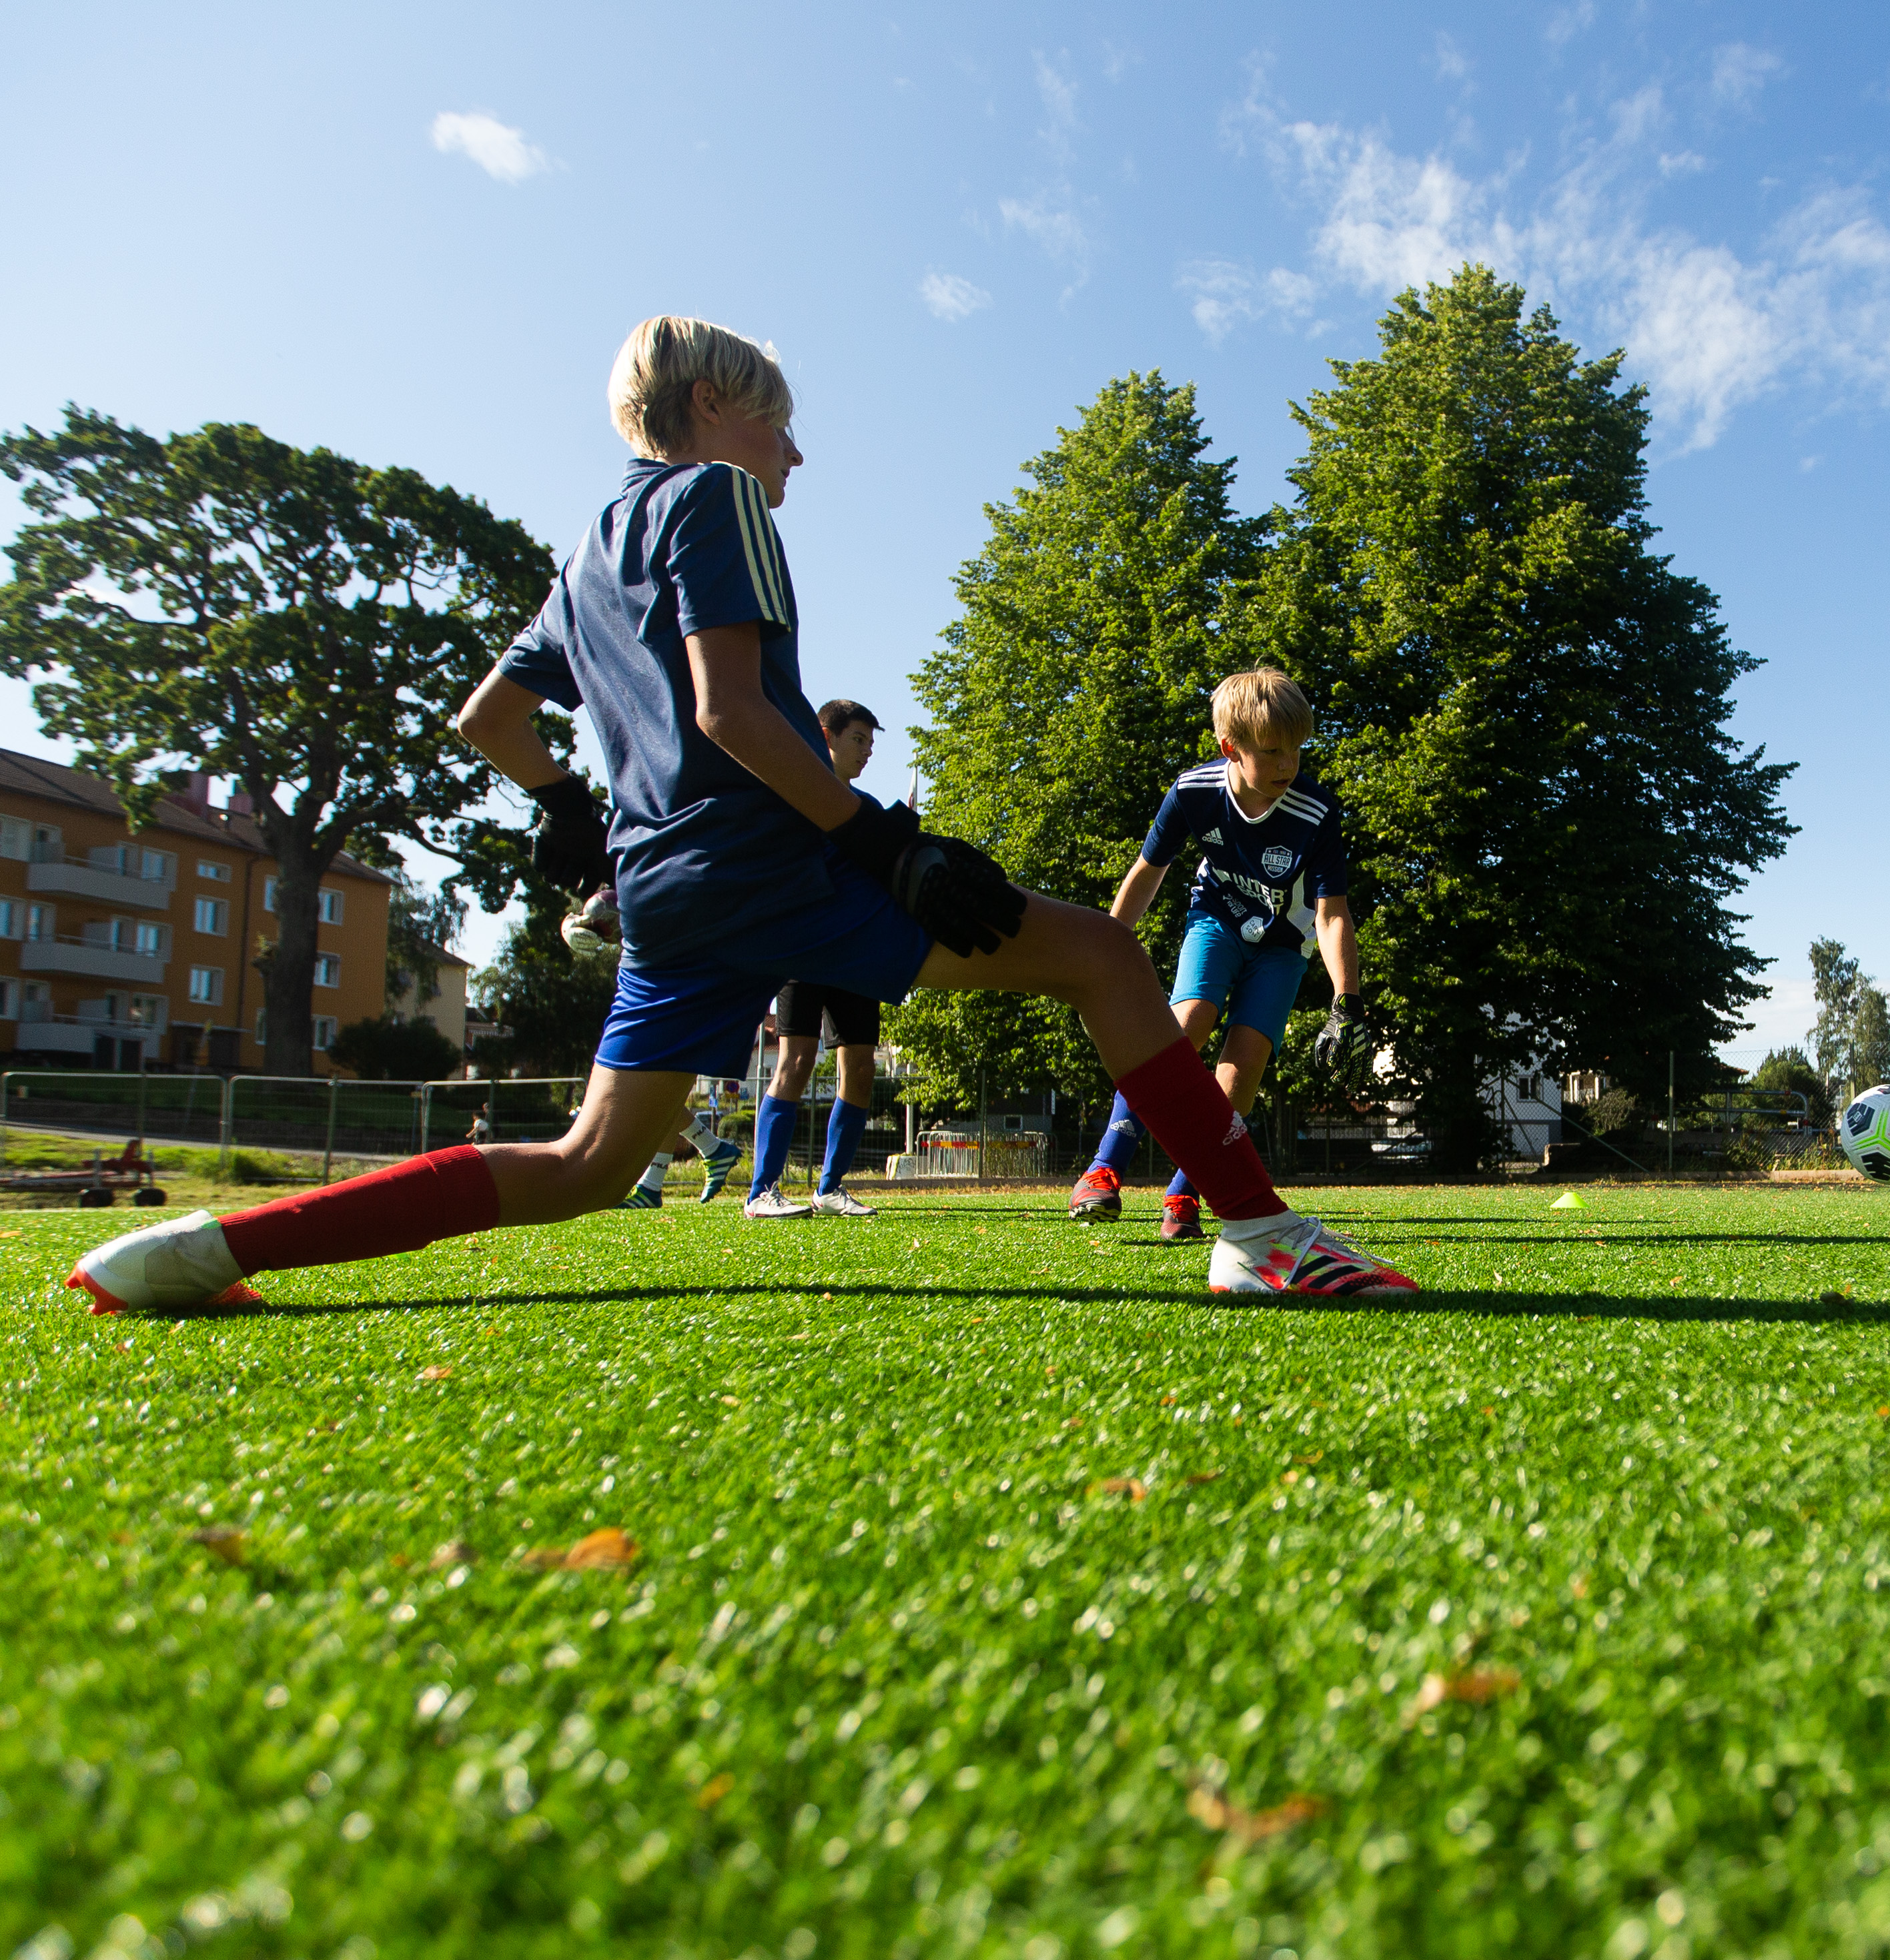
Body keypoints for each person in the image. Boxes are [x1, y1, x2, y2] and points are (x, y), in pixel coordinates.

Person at [65, 314, 1416, 1312]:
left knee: (591, 1162)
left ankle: (195, 1252)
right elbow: (729, 711)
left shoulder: (585, 548)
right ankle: (1256, 1233)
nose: (795, 452)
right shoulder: (716, 496)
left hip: (665, 895)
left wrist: (562, 814)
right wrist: (878, 838)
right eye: (779, 421)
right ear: (715, 405)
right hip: (770, 861)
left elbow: (488, 718)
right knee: (1103, 956)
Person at [1066, 670, 1372, 1240]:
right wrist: (1099, 955)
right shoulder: (1192, 792)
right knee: (1184, 1027)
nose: (1288, 764)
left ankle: (1185, 1193)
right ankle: (1105, 1167)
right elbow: (1146, 874)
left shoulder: (1317, 813)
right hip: (1216, 920)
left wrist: (1345, 1001)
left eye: (1297, 748)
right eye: (1272, 750)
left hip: (1284, 945)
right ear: (1231, 747)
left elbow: (1332, 914)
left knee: (1244, 1062)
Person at [739, 698, 893, 1219]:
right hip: (803, 951)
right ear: (826, 734)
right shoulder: (791, 795)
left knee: (861, 1070)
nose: (867, 751)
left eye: (871, 743)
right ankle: (761, 1191)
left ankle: (829, 1189)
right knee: (796, 1062)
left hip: (855, 957)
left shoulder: (867, 810)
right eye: (858, 740)